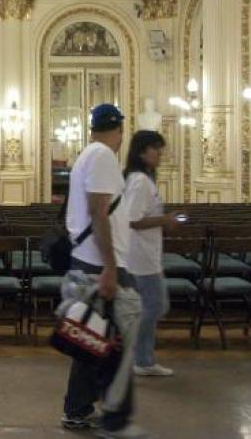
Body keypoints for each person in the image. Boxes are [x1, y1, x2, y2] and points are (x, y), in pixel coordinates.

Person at [61, 103, 145, 439]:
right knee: (110, 343)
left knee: (93, 341)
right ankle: (108, 415)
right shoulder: (104, 157)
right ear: (120, 130)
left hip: (92, 261)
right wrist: (110, 266)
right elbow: (99, 212)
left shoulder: (88, 154)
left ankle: (80, 410)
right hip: (99, 265)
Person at [124, 130, 181, 377]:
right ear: (142, 152)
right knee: (154, 305)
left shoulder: (143, 180)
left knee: (151, 306)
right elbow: (133, 220)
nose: (160, 154)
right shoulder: (139, 182)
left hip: (146, 254)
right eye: (156, 149)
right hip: (140, 257)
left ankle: (141, 356)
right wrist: (165, 219)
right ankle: (141, 358)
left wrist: (164, 220)